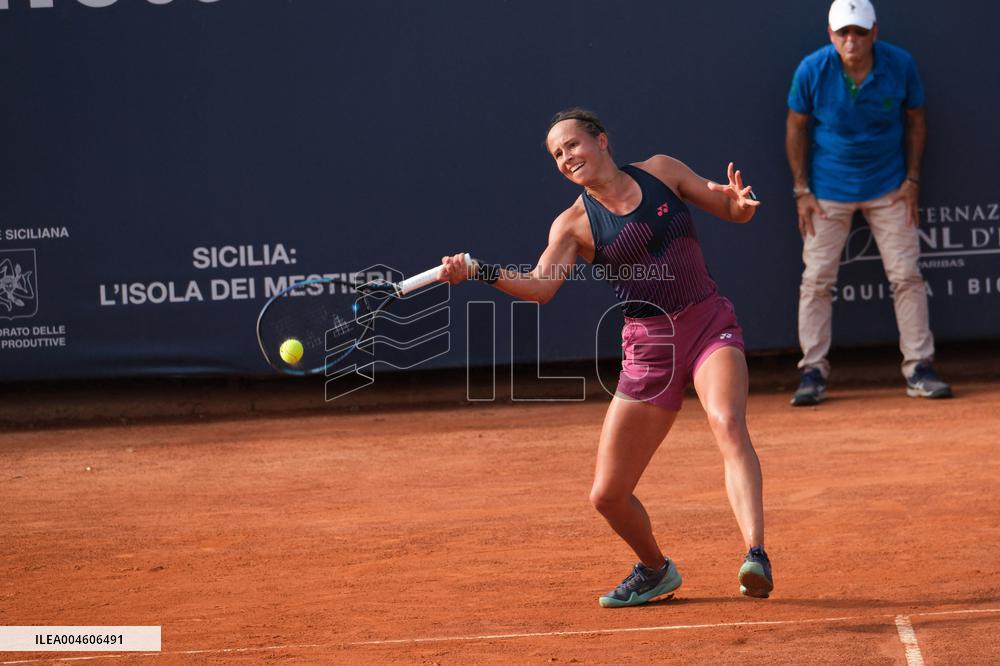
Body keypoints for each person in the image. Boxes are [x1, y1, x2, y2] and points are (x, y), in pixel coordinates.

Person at [438, 108, 772, 607]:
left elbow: (732, 210)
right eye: (557, 154)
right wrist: (479, 270)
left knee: (727, 422)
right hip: (649, 349)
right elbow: (540, 288)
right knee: (607, 496)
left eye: (572, 144)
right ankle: (655, 570)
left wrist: (742, 206)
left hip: (707, 323)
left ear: (601, 141)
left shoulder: (662, 171)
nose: (566, 157)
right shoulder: (573, 225)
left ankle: (755, 554)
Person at [786, 0, 953, 407]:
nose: (851, 40)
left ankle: (919, 367)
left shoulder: (900, 65)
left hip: (889, 187)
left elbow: (916, 120)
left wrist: (912, 181)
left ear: (874, 32)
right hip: (827, 191)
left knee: (907, 276)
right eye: (843, 32)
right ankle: (812, 371)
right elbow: (796, 126)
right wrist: (802, 190)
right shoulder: (812, 69)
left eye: (859, 32)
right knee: (816, 280)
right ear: (830, 34)